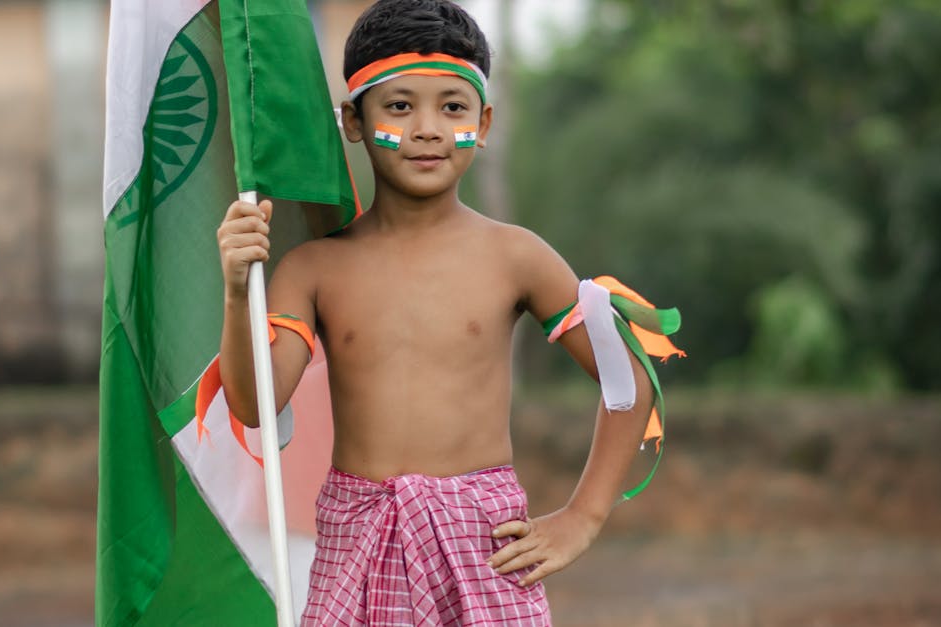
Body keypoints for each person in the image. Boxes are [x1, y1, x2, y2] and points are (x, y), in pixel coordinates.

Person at [216, 1, 680, 624]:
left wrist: (583, 517)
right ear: (353, 120)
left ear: (483, 123)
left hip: (484, 547)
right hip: (357, 542)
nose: (428, 129)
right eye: (399, 107)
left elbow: (628, 381)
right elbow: (254, 404)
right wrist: (239, 291)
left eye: (452, 107)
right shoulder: (312, 269)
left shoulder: (517, 256)